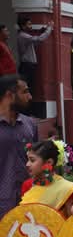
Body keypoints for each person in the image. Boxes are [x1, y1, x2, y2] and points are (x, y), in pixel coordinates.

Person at [0, 75, 36, 218]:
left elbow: (36, 160)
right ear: (10, 95)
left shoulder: (30, 124)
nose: (30, 97)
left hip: (27, 201)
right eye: (25, 92)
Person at [16, 17, 53, 93]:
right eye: (29, 24)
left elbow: (35, 41)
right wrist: (49, 28)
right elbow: (39, 39)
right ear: (23, 26)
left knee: (28, 87)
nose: (31, 26)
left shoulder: (24, 36)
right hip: (27, 66)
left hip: (28, 65)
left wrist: (43, 31)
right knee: (26, 88)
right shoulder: (23, 36)